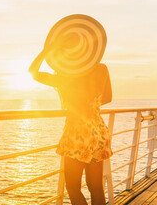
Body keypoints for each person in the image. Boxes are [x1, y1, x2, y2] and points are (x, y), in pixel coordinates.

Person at [28, 43, 113, 205]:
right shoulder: (101, 69)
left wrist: (46, 51)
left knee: (73, 187)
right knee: (95, 186)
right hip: (98, 130)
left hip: (77, 133)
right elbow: (108, 98)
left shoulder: (65, 77)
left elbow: (33, 73)